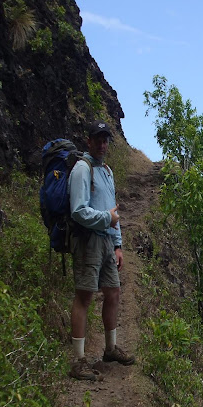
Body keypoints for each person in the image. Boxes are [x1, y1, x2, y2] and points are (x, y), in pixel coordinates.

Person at [68, 120, 134, 380]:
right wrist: (107, 219)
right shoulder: (82, 170)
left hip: (107, 241)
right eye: (98, 139)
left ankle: (110, 349)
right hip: (88, 240)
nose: (103, 144)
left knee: (114, 292)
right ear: (89, 140)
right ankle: (79, 360)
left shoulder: (106, 171)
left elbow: (113, 211)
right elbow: (78, 211)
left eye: (106, 139)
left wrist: (118, 245)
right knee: (84, 296)